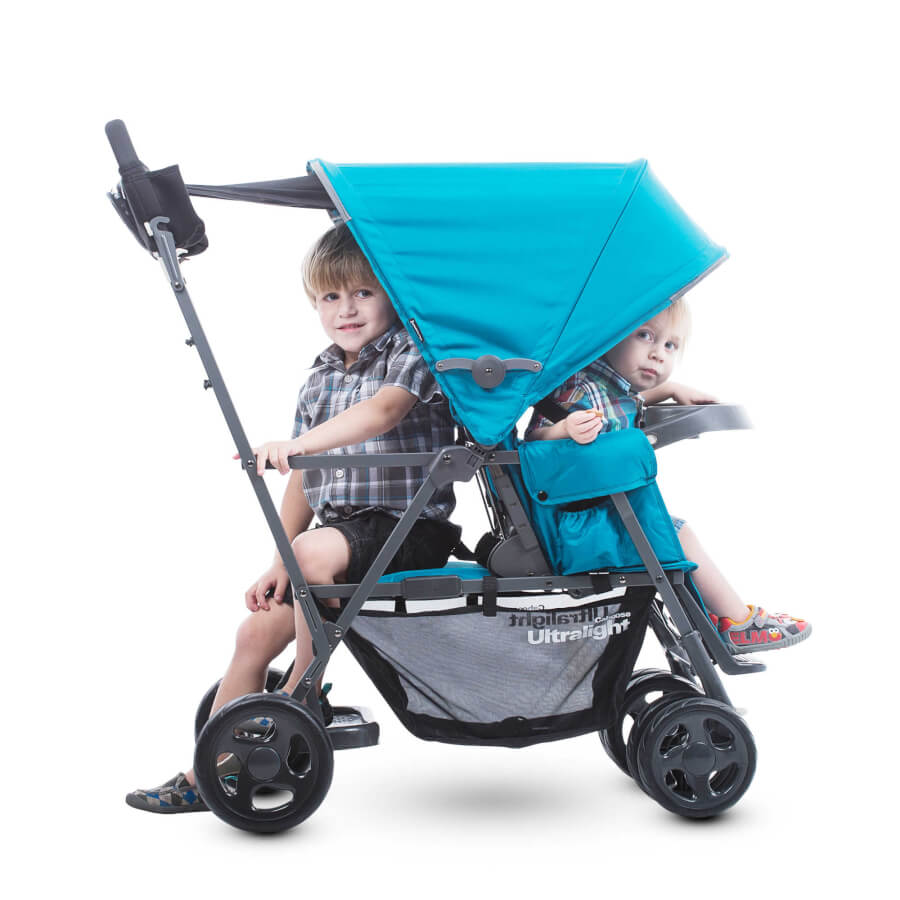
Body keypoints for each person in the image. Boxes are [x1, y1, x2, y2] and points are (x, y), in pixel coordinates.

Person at [127, 224, 460, 813]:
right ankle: (211, 772)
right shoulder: (320, 378)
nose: (346, 309)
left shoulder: (413, 352)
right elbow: (305, 481)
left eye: (362, 293)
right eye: (331, 296)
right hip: (334, 542)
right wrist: (281, 558)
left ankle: (304, 693)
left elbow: (384, 412)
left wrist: (299, 446)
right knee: (254, 632)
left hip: (407, 530)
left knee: (311, 553)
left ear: (391, 297)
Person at [526, 298, 811, 654]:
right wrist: (563, 430)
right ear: (609, 335)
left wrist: (671, 390)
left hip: (593, 519)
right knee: (678, 534)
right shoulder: (580, 389)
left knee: (669, 531)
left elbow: (628, 399)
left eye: (671, 345)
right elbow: (533, 442)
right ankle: (738, 623)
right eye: (645, 335)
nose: (658, 354)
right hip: (576, 531)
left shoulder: (609, 387)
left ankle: (714, 621)